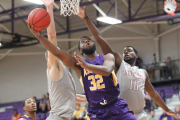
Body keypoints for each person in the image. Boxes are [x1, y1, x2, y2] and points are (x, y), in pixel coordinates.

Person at [27, 5, 136, 120]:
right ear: (80, 50)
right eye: (83, 42)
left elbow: (107, 71)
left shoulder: (107, 57)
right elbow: (56, 52)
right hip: (96, 112)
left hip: (116, 106)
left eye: (89, 40)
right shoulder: (78, 65)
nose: (87, 42)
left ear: (94, 44)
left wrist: (86, 18)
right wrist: (38, 36)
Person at [77, 6, 178, 120]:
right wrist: (86, 19)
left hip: (139, 114)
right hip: (120, 111)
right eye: (124, 51)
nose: (126, 52)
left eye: (129, 50)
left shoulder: (143, 73)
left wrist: (166, 109)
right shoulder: (119, 64)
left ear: (137, 55)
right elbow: (99, 39)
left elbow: (154, 94)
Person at [30, 0, 76, 119]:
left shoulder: (63, 71)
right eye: (54, 50)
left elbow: (72, 96)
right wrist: (49, 8)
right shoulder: (53, 67)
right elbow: (52, 36)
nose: (57, 50)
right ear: (48, 57)